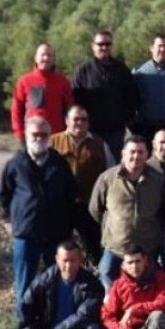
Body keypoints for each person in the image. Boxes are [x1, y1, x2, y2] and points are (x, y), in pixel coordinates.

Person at [0, 116, 77, 304]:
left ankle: (56, 320)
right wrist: (18, 218)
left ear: (50, 137)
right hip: (26, 235)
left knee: (58, 284)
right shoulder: (15, 164)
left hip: (55, 235)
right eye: (35, 135)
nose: (39, 139)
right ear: (26, 136)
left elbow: (70, 195)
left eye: (44, 135)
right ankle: (24, 321)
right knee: (24, 285)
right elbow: (4, 195)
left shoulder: (60, 163)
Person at [89, 135, 165, 290]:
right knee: (106, 276)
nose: (136, 156)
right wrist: (114, 227)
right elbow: (95, 209)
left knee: (146, 288)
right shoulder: (107, 179)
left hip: (147, 248)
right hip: (116, 247)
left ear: (147, 154)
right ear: (123, 154)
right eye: (132, 152)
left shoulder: (158, 180)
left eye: (140, 152)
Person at [16, 240, 104, 329]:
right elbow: (24, 309)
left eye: (73, 260)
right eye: (65, 260)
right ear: (57, 259)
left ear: (80, 259)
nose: (68, 265)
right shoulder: (44, 281)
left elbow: (84, 315)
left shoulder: (92, 284)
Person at [49, 106, 115, 264]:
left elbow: (111, 172)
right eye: (76, 119)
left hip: (89, 205)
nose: (80, 123)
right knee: (59, 248)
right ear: (66, 121)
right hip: (61, 206)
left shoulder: (99, 143)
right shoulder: (53, 142)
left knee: (94, 248)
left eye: (84, 119)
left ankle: (94, 275)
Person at [96, 247, 165, 329]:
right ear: (123, 265)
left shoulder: (159, 277)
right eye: (130, 262)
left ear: (145, 261)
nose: (134, 266)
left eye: (138, 261)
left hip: (149, 328)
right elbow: (107, 316)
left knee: (158, 315)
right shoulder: (117, 285)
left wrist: (135, 309)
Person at [70, 30, 138, 159]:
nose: (104, 47)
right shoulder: (83, 70)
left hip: (115, 130)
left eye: (107, 44)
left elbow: (131, 97)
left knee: (114, 163)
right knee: (90, 162)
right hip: (90, 129)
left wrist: (126, 120)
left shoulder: (121, 69)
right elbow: (75, 99)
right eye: (100, 44)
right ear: (93, 46)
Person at [11, 43, 74, 144]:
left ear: (54, 59)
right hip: (33, 137)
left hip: (57, 137)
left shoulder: (63, 82)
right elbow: (16, 109)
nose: (46, 58)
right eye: (43, 55)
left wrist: (70, 131)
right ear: (36, 58)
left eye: (49, 55)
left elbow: (70, 109)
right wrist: (19, 132)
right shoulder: (24, 81)